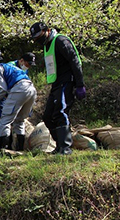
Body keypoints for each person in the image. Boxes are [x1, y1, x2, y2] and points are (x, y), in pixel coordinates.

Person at [30, 22, 86, 155]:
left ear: (47, 30)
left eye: (40, 36)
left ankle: (66, 148)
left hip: (67, 81)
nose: (39, 40)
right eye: (36, 39)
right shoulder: (47, 45)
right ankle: (59, 146)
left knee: (61, 112)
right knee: (48, 116)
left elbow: (75, 60)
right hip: (56, 84)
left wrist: (80, 84)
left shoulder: (60, 41)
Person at [0, 59, 38, 151]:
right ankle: (20, 149)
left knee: (5, 120)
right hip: (31, 89)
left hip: (19, 88)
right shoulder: (4, 66)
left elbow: (1, 89)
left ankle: (3, 149)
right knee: (20, 120)